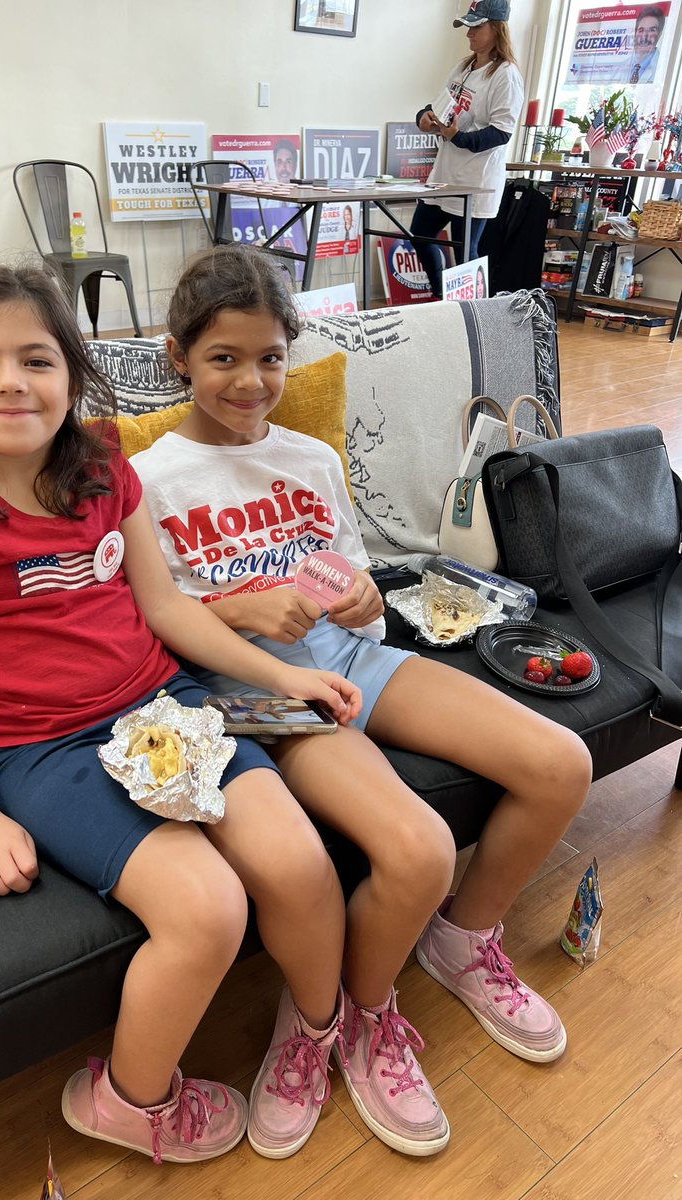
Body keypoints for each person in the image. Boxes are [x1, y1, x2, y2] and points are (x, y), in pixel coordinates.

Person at [0, 264, 371, 1167]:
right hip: (37, 751)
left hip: (163, 703)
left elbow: (168, 611)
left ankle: (320, 1033)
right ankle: (128, 1102)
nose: (11, 381)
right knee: (208, 909)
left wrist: (277, 680)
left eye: (37, 359)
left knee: (298, 861)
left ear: (73, 374)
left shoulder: (102, 471)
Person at [132, 244, 592, 1156]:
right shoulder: (146, 479)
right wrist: (235, 608)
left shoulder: (310, 456)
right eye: (224, 357)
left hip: (347, 655)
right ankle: (355, 1020)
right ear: (179, 355)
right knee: (418, 847)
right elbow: (147, 627)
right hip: (254, 693)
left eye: (270, 357)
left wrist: (366, 596)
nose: (252, 380)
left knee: (560, 764)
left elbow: (351, 571)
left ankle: (463, 942)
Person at [409, 0, 523, 299]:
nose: (469, 34)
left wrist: (459, 137)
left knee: (465, 252)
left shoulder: (506, 75)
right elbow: (438, 105)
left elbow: (501, 132)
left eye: (476, 27)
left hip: (476, 180)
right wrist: (424, 117)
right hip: (444, 175)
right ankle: (441, 297)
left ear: (497, 28)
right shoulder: (463, 66)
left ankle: (471, 313)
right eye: (468, 27)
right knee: (420, 234)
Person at [624, 5, 664, 84]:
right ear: (635, 33)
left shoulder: (663, 68)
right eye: (641, 30)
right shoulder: (620, 67)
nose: (644, 36)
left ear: (659, 34)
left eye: (652, 30)